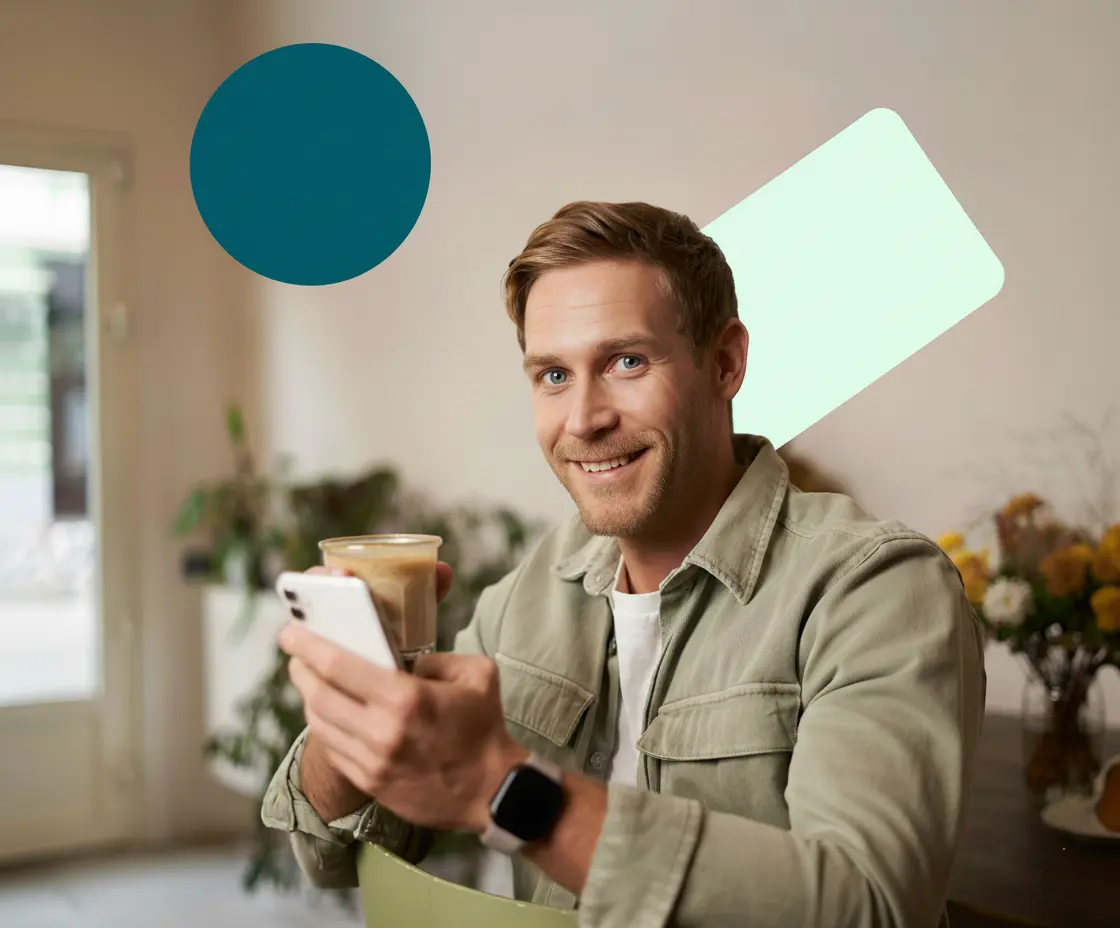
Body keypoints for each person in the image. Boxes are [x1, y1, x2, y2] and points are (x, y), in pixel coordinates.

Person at [262, 201, 987, 928]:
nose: (583, 419)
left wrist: (499, 785)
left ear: (726, 362)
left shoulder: (877, 588)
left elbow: (871, 909)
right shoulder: (529, 595)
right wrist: (353, 711)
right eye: (552, 375)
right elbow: (326, 855)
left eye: (627, 361)